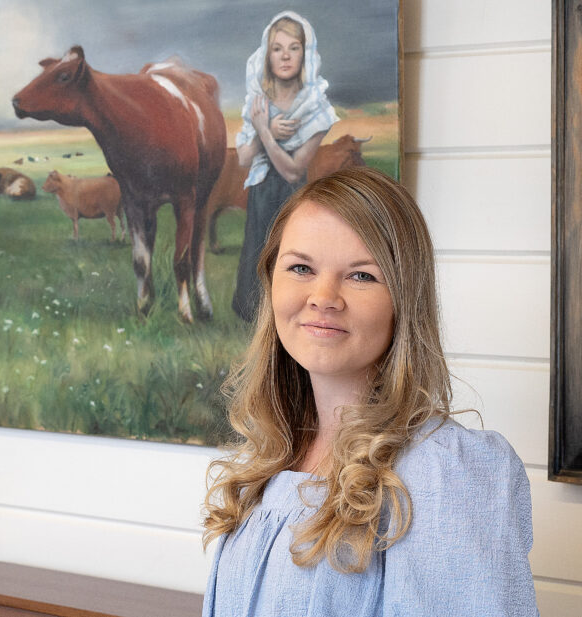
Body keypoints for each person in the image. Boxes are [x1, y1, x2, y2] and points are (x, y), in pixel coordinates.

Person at [203, 168, 538, 616]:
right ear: (270, 282)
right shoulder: (273, 458)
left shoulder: (443, 474)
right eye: (301, 268)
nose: (323, 297)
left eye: (361, 276)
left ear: (404, 297)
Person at [232, 11, 338, 322]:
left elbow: (293, 170)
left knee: (290, 258)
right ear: (267, 55)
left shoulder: (316, 107)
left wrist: (265, 132)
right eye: (277, 48)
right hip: (261, 191)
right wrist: (264, 131)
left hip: (291, 195)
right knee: (256, 254)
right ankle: (255, 323)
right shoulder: (258, 100)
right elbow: (243, 158)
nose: (285, 56)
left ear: (306, 53)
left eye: (294, 47)